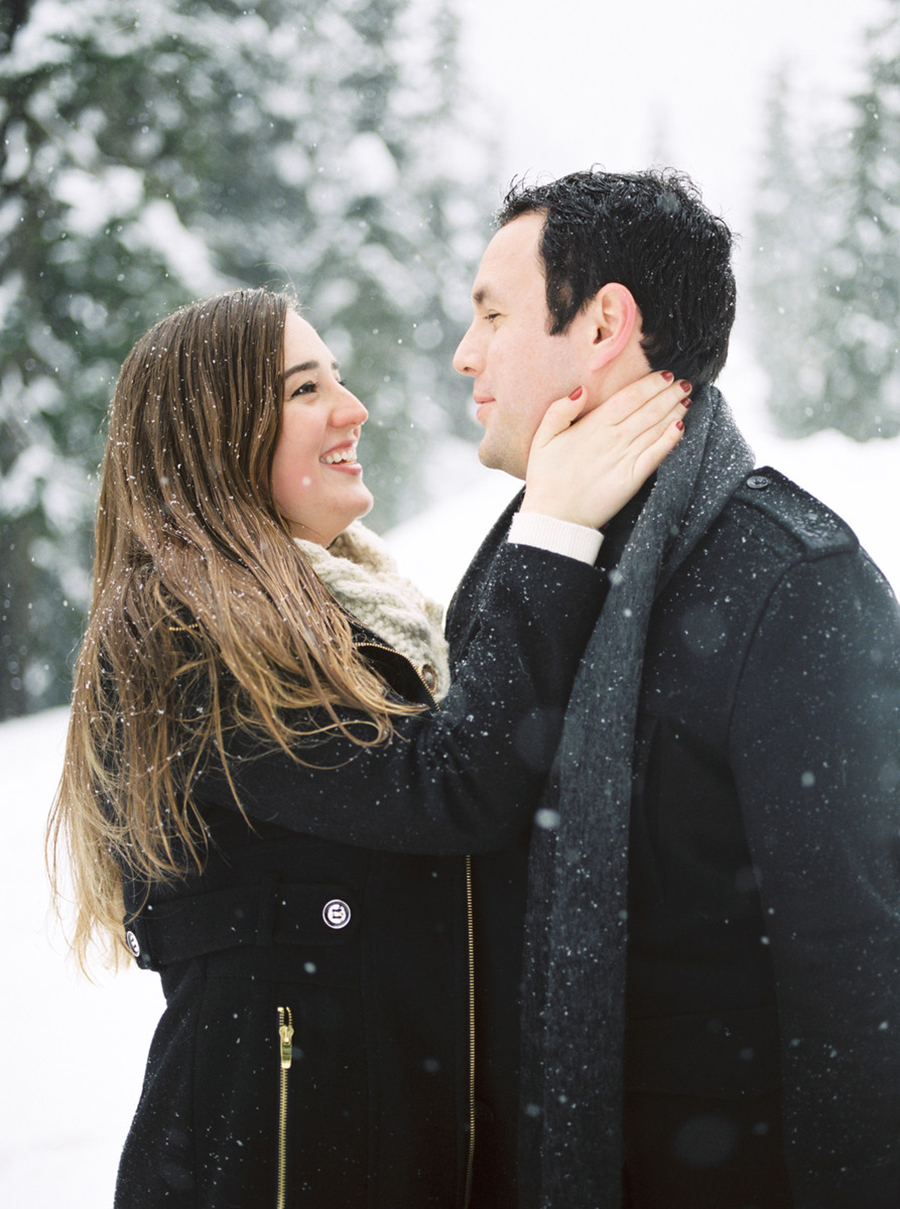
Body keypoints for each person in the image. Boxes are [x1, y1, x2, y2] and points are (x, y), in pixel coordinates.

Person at [47, 286, 689, 1208]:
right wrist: (551, 527)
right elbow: (449, 785)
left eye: (338, 378)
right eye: (305, 389)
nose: (353, 408)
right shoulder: (183, 638)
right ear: (213, 434)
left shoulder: (356, 612)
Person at [449, 169, 900, 1209]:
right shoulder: (524, 573)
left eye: (493, 313)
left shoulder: (793, 585)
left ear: (605, 322)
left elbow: (861, 991)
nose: (466, 353)